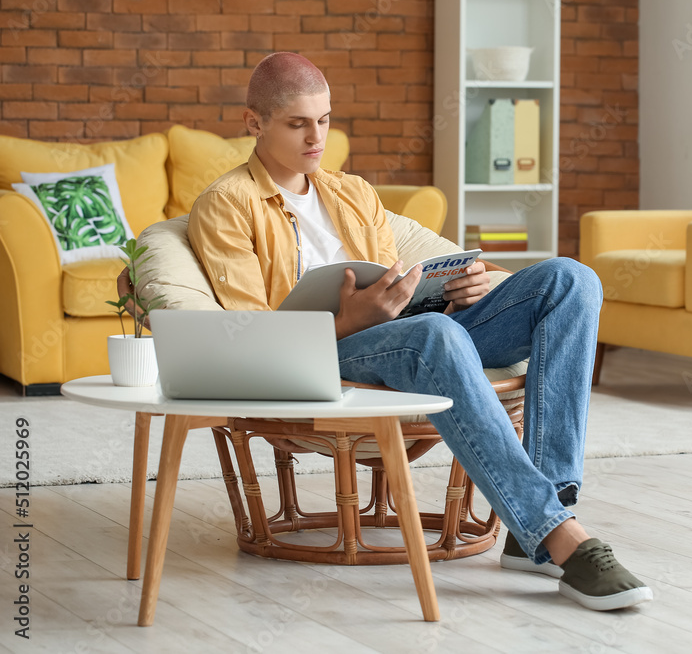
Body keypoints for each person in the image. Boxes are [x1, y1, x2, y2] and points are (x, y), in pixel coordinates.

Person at [188, 52, 652, 611]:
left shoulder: (353, 192)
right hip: (334, 349)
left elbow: (402, 283)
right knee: (433, 333)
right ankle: (556, 535)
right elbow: (252, 337)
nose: (317, 137)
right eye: (297, 123)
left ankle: (542, 518)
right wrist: (354, 318)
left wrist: (467, 284)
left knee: (571, 280)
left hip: (414, 332)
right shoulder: (225, 206)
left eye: (326, 120)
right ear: (253, 122)